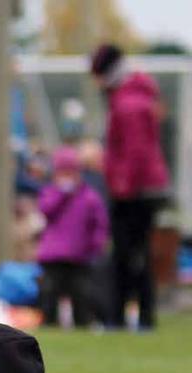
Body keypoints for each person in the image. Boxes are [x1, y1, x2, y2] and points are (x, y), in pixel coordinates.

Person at [89, 43, 170, 331]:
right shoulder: (137, 95)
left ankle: (119, 317)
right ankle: (142, 317)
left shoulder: (127, 102)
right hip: (145, 187)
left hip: (132, 191)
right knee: (139, 252)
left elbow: (135, 151)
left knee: (125, 254)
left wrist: (119, 185)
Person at [36, 146, 109, 328]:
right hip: (53, 256)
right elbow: (46, 210)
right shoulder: (51, 192)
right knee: (49, 291)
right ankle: (49, 322)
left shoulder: (89, 197)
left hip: (79, 256)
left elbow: (99, 223)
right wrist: (62, 194)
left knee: (81, 293)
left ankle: (82, 322)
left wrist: (96, 244)